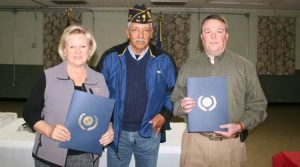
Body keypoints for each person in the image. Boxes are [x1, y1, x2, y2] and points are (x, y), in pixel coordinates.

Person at [171, 14, 268, 167]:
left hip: (230, 145)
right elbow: (175, 102)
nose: (213, 36)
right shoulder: (188, 66)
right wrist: (182, 106)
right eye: (208, 32)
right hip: (195, 143)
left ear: (226, 36)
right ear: (202, 37)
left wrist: (240, 125)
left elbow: (259, 106)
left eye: (219, 31)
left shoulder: (244, 67)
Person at [95, 4, 177, 167]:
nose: (140, 35)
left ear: (151, 33)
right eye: (135, 29)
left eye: (145, 30)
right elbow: (98, 93)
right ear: (127, 32)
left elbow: (173, 93)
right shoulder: (111, 57)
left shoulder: (164, 60)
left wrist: (165, 115)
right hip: (117, 132)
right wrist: (107, 121)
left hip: (149, 132)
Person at [22, 25, 114, 167]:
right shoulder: (48, 77)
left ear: (89, 50)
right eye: (72, 46)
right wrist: (49, 130)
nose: (78, 51)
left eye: (83, 46)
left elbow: (105, 115)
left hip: (87, 157)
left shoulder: (99, 79)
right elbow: (29, 112)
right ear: (64, 50)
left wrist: (109, 130)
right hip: (51, 156)